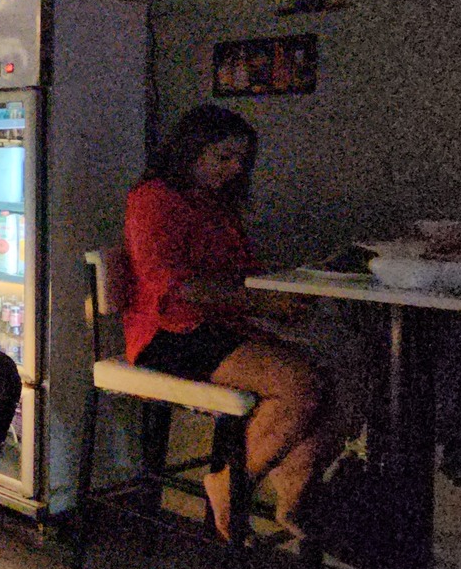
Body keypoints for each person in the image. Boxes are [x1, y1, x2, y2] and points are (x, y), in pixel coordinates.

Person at [123, 104, 336, 538]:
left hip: (217, 325)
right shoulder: (154, 199)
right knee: (300, 383)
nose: (236, 168)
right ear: (190, 152)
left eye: (242, 159)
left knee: (339, 370)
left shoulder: (215, 204)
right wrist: (262, 304)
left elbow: (240, 270)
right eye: (224, 157)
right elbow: (174, 287)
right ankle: (231, 483)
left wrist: (282, 293)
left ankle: (295, 490)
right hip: (168, 332)